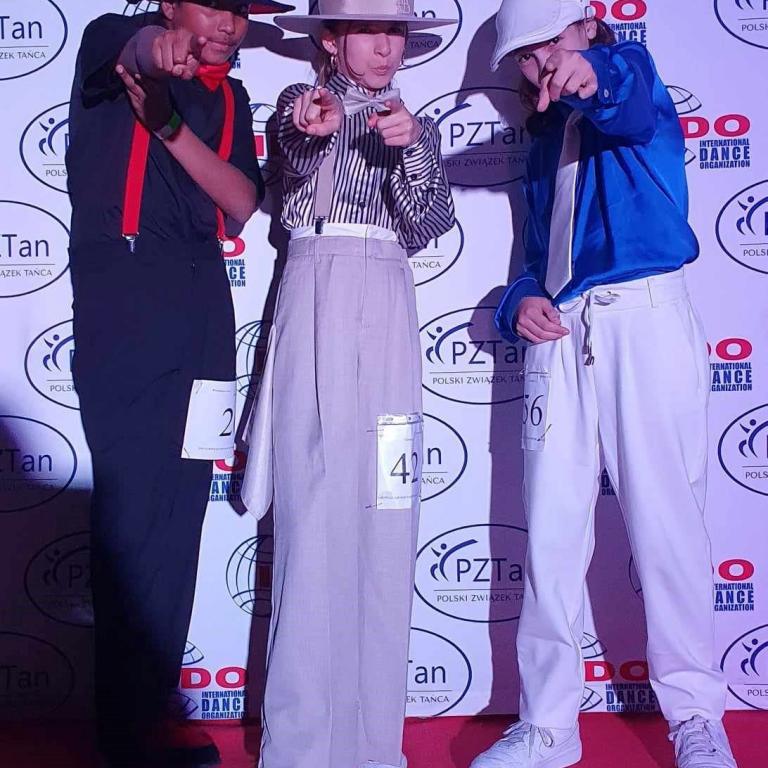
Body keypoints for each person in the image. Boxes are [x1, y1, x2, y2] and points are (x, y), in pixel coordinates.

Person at [470, 2, 737, 767]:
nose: (539, 66)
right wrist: (522, 299)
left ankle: (696, 717)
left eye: (550, 45)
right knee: (551, 534)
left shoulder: (632, 75)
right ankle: (547, 725)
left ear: (587, 27)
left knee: (668, 527)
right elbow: (535, 253)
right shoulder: (542, 138)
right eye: (524, 58)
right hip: (561, 332)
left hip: (644, 315)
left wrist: (590, 75)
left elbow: (622, 95)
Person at [66, 1, 289, 765]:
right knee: (133, 513)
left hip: (204, 306)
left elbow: (241, 202)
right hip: (127, 297)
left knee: (181, 509)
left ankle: (148, 720)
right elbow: (134, 50)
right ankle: (122, 735)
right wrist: (155, 50)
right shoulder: (111, 36)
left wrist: (167, 124)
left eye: (240, 10)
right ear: (168, 3)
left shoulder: (233, 95)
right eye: (211, 4)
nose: (228, 22)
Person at [240, 2, 456, 767]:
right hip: (315, 288)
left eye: (394, 31)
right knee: (310, 510)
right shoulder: (297, 106)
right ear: (331, 40)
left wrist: (414, 149)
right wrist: (312, 131)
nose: (385, 47)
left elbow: (427, 224)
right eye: (367, 31)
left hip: (389, 296)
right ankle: (298, 750)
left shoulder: (415, 124)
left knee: (388, 510)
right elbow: (288, 184)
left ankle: (374, 747)